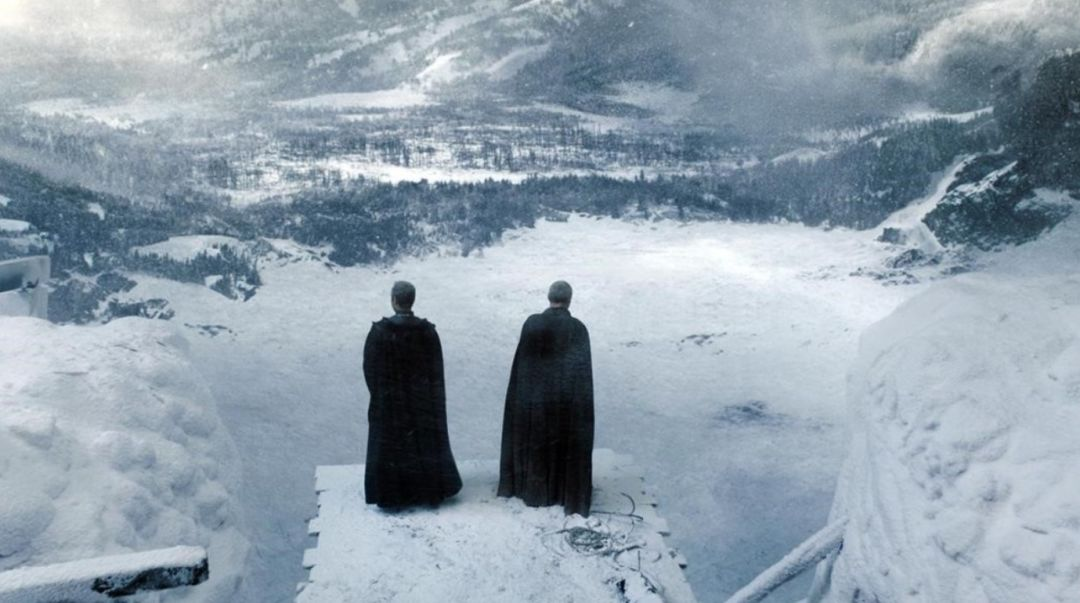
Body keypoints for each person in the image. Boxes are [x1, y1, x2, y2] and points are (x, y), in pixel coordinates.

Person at [498, 280, 595, 516]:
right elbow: (582, 378)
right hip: (564, 405)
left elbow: (522, 369)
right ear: (569, 300)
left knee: (537, 442)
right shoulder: (578, 329)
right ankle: (561, 493)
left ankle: (532, 490)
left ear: (549, 298)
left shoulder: (532, 324)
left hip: (535, 404)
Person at [363, 281, 462, 508]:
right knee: (421, 444)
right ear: (412, 300)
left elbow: (370, 370)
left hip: (391, 403)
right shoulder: (427, 332)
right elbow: (436, 373)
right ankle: (426, 492)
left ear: (393, 300)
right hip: (422, 403)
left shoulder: (380, 333)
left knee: (393, 446)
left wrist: (381, 396)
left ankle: (394, 496)